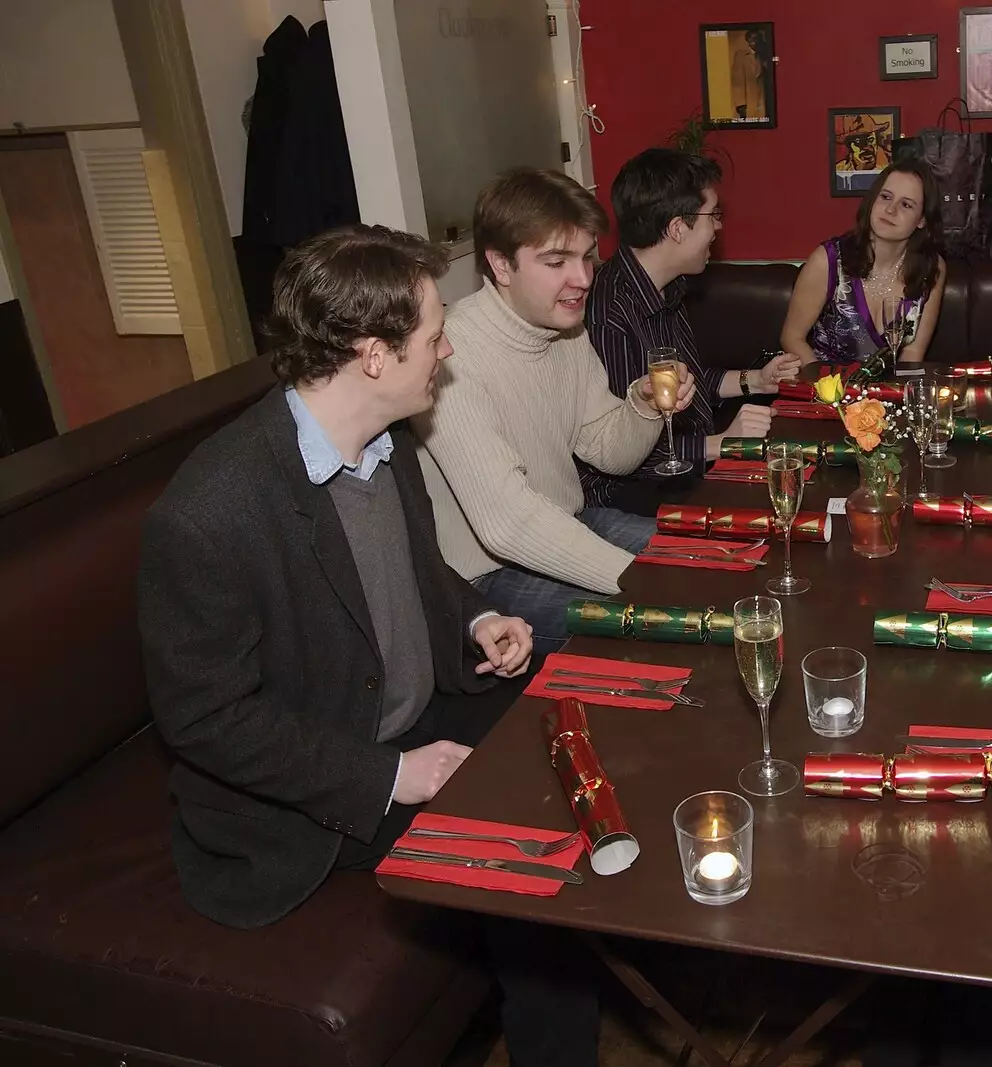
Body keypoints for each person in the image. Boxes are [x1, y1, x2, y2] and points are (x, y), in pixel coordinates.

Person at [137, 225, 595, 1066]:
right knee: (537, 863)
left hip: (411, 712)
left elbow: (417, 572)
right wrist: (389, 777)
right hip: (316, 779)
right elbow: (206, 720)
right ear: (373, 355)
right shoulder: (210, 512)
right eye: (432, 335)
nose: (447, 348)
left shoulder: (386, 442)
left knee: (581, 711)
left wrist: (471, 619)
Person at [414, 168, 698, 660]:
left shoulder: (563, 329)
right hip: (489, 574)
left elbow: (611, 453)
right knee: (671, 627)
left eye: (587, 256)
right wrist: (639, 581)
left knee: (710, 566)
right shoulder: (451, 354)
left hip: (570, 523)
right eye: (556, 261)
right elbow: (508, 525)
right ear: (500, 266)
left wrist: (642, 405)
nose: (583, 278)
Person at [583, 148, 801, 514]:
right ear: (677, 228)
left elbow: (685, 383)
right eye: (713, 215)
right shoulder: (611, 312)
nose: (718, 226)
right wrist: (724, 444)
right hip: (630, 499)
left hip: (688, 469)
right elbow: (626, 453)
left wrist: (756, 381)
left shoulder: (668, 286)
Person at [780, 159, 947, 366]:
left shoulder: (932, 267)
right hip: (826, 389)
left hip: (886, 393)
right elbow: (792, 338)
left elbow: (912, 354)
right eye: (885, 197)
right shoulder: (827, 260)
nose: (890, 210)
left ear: (922, 220)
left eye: (906, 204)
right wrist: (826, 389)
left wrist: (893, 396)